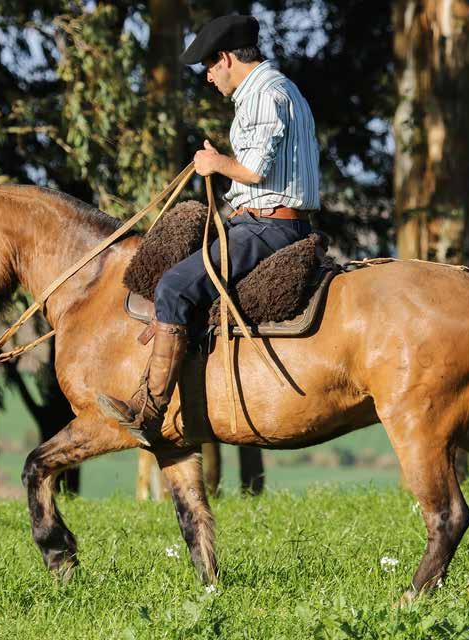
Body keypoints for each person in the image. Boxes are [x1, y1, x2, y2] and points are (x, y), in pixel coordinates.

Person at [98, 14, 320, 446]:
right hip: (267, 221)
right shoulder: (281, 89)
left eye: (208, 67)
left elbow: (255, 171)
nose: (208, 78)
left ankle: (150, 409)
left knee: (175, 287)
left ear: (224, 58)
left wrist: (215, 164)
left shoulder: (262, 96)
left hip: (268, 227)